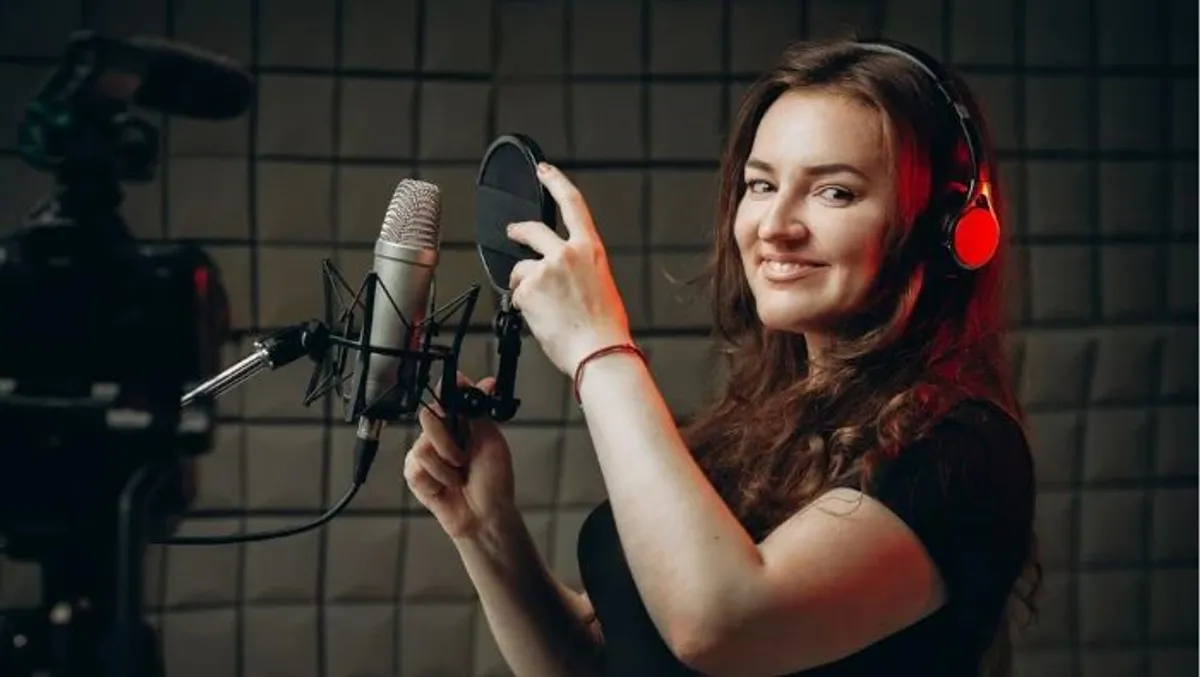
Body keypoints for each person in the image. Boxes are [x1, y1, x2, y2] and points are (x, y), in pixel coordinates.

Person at [402, 37, 1040, 677]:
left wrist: (599, 346)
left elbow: (720, 624)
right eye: (761, 184)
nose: (774, 225)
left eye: (835, 193)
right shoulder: (750, 431)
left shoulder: (960, 450)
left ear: (947, 223)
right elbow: (593, 664)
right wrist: (487, 528)